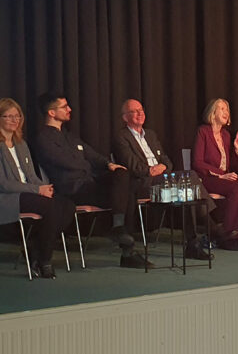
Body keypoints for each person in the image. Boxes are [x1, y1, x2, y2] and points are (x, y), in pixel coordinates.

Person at [31, 92, 152, 269]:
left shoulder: (69, 136)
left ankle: (119, 228)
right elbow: (65, 162)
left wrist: (109, 164)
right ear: (51, 112)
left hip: (89, 184)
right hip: (72, 189)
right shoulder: (43, 138)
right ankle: (127, 249)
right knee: (126, 191)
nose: (69, 109)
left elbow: (92, 155)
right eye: (64, 107)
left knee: (124, 176)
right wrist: (87, 165)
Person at [0, 98, 75, 279]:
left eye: (18, 116)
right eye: (9, 116)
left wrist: (43, 188)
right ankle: (45, 260)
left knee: (67, 205)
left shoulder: (21, 145)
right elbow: (1, 183)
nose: (15, 120)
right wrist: (37, 190)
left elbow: (31, 176)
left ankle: (35, 249)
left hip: (28, 193)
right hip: (5, 198)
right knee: (50, 207)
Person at [111, 98, 213, 260]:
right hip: (142, 183)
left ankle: (193, 243)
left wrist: (162, 167)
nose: (140, 114)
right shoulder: (121, 137)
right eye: (134, 111)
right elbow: (132, 166)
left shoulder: (150, 135)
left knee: (187, 184)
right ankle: (209, 226)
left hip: (162, 179)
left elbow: (166, 160)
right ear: (125, 117)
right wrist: (151, 170)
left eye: (141, 110)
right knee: (188, 182)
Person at [191, 98, 238, 251]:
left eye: (227, 109)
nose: (226, 112)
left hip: (226, 179)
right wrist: (220, 175)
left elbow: (233, 168)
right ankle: (228, 235)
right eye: (221, 109)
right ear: (213, 113)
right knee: (237, 189)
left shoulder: (226, 135)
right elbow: (197, 162)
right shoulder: (203, 132)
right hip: (208, 179)